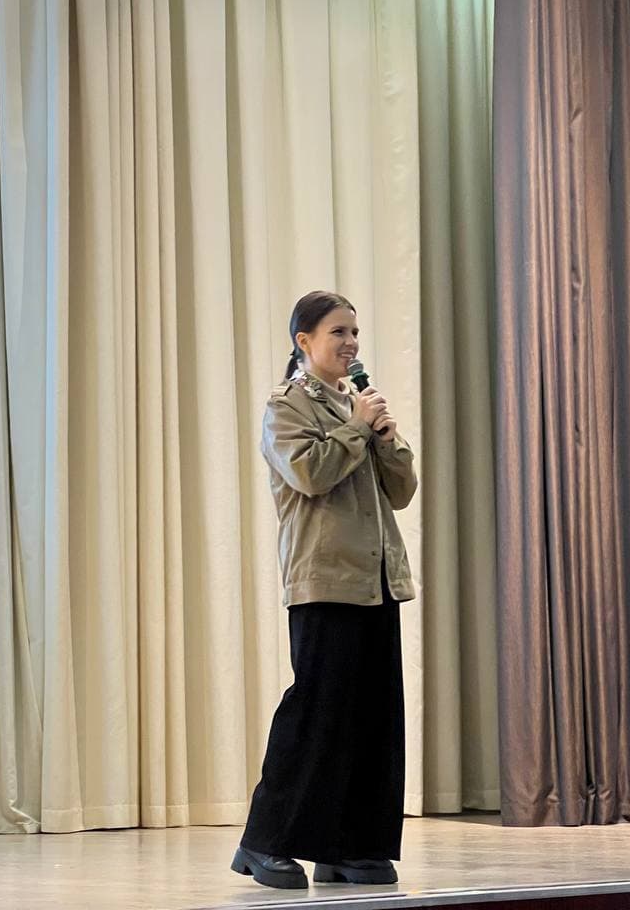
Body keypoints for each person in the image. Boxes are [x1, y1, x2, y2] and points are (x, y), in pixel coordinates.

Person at [231, 290, 417, 890]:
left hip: (376, 579)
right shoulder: (286, 406)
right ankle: (263, 842)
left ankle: (351, 847)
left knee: (372, 717)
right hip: (325, 580)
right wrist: (357, 428)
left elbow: (402, 491)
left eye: (354, 332)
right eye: (338, 332)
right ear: (304, 340)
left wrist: (384, 435)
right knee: (316, 712)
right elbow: (309, 474)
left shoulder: (357, 404)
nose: (351, 343)